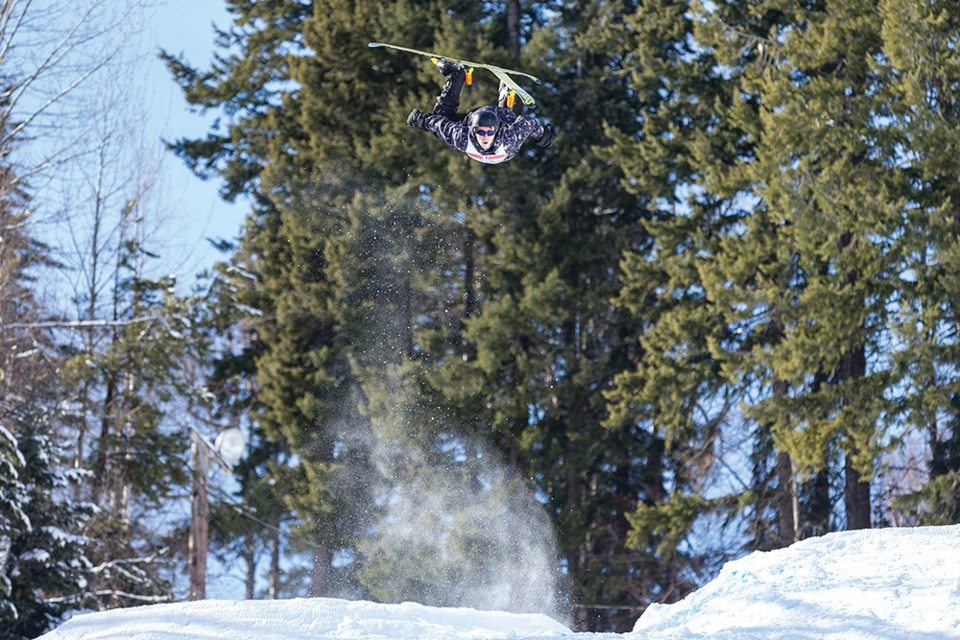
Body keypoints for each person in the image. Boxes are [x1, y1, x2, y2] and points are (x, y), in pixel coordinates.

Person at [406, 60, 557, 164]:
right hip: (497, 119)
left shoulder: (461, 139)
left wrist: (422, 120)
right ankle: (508, 96)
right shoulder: (509, 141)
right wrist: (542, 134)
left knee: (440, 123)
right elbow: (527, 123)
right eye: (482, 133)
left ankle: (456, 75)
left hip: (488, 118)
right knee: (511, 119)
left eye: (489, 133)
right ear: (474, 131)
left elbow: (439, 123)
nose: (485, 137)